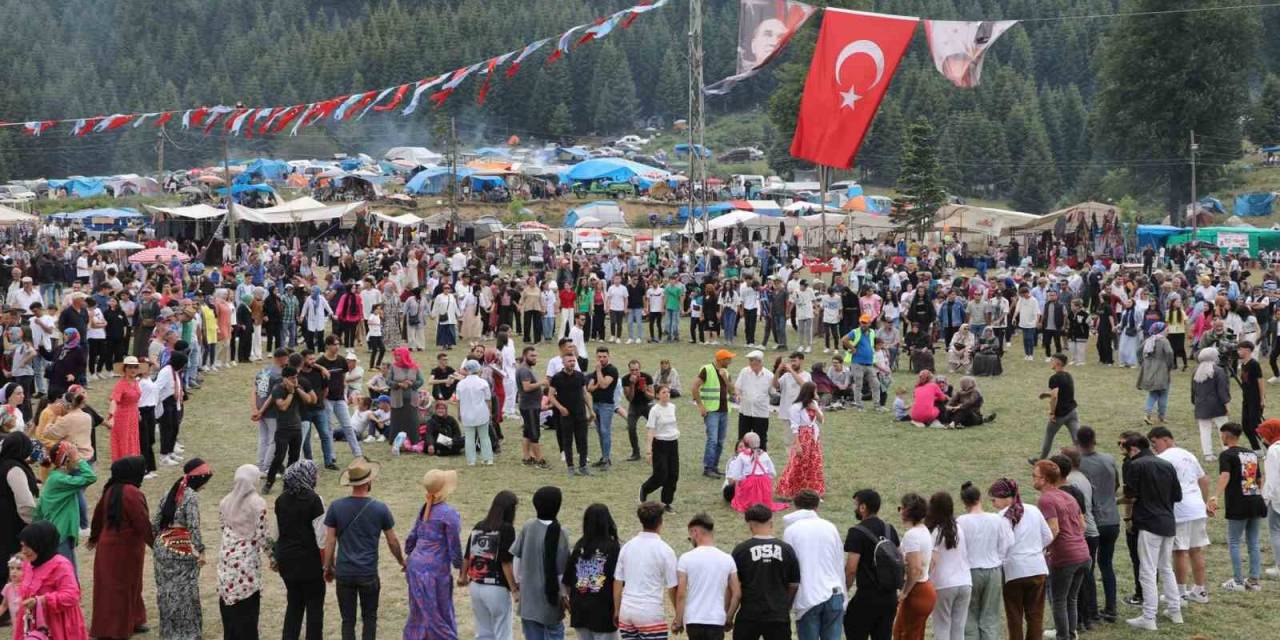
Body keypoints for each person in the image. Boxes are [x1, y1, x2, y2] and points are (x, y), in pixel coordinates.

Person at [323, 458, 405, 640]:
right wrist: (401, 561)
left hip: (344, 572)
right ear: (368, 481)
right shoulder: (379, 508)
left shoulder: (336, 507)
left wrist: (327, 567)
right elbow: (393, 542)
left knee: (347, 621)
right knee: (369, 618)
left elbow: (330, 542)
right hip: (368, 572)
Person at [1120, 433, 1182, 631]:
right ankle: (1175, 610)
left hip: (1149, 523)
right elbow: (1177, 495)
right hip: (1168, 521)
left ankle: (1149, 617)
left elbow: (1129, 495)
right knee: (1166, 568)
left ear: (1134, 449)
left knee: (1147, 570)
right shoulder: (1166, 464)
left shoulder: (1135, 466)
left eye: (1126, 451)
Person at [87, 456, 152, 640]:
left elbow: (97, 517)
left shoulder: (110, 489)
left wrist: (94, 537)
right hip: (126, 549)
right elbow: (142, 522)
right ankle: (115, 630)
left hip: (107, 547)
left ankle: (134, 620)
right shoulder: (132, 493)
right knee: (125, 587)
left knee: (110, 587)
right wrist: (157, 544)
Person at [1146, 427, 1211, 604]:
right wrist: (1204, 503)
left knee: (1180, 551)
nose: (1154, 448)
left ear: (1166, 439)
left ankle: (1180, 593)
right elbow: (1204, 480)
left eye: (1155, 443)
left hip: (1180, 509)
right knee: (1196, 549)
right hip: (1197, 507)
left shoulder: (1161, 460)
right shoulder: (1188, 454)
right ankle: (1200, 590)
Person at [153, 458, 213, 640]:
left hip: (162, 547)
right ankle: (187, 633)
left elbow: (155, 522)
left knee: (166, 591)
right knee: (185, 593)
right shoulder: (191, 497)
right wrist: (201, 550)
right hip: (182, 550)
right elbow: (193, 527)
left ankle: (169, 632)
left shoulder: (169, 492)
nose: (205, 486)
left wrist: (159, 542)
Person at [1033, 460, 1090, 640]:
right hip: (1082, 553)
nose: (1032, 479)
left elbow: (1054, 529)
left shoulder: (1045, 499)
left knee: (1058, 601)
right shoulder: (1068, 496)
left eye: (1034, 476)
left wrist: (1042, 548)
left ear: (1044, 479)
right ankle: (1071, 634)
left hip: (1064, 557)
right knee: (1071, 599)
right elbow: (1083, 525)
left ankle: (1063, 636)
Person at [404, 469, 464, 640]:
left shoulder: (425, 509)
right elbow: (454, 545)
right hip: (435, 569)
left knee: (419, 609)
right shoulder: (448, 514)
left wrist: (410, 554)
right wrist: (460, 567)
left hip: (415, 565)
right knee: (439, 609)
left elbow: (413, 536)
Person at [989, 477, 1051, 640]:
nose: (993, 503)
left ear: (1004, 497)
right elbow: (1048, 536)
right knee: (1035, 616)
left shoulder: (1001, 517)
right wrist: (1037, 551)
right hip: (1037, 568)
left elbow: (1001, 548)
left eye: (994, 498)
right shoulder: (1034, 510)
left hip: (1013, 572)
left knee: (1014, 617)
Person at [729, 504, 800, 640]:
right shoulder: (786, 549)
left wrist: (729, 616)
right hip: (778, 615)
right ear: (771, 523)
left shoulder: (741, 550)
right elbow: (794, 584)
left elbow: (734, 588)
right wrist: (786, 606)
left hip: (749, 615)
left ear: (749, 525)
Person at [274, 460, 326, 640]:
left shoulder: (281, 500)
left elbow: (277, 533)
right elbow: (322, 538)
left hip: (287, 561)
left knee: (294, 606)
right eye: (315, 473)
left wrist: (276, 558)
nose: (317, 477)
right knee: (314, 609)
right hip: (310, 562)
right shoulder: (314, 499)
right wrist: (326, 565)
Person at [783, 490, 845, 640]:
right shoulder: (830, 527)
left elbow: (789, 567)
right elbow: (839, 561)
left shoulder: (791, 531)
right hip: (834, 593)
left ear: (796, 506)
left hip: (807, 597)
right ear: (817, 507)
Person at [217, 464, 269, 639]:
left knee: (229, 613)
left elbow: (223, 527)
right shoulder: (258, 503)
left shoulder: (224, 502)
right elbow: (263, 536)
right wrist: (274, 558)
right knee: (247, 614)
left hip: (225, 563)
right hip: (246, 566)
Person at [512, 486, 570, 640]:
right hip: (550, 599)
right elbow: (561, 571)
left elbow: (516, 558)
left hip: (528, 598)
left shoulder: (528, 525)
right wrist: (564, 595)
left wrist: (517, 583)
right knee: (554, 633)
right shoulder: (561, 532)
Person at [1215, 422, 1267, 592]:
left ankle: (1237, 581)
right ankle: (1254, 580)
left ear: (1226, 435)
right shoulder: (1251, 453)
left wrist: (1215, 496)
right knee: (1253, 541)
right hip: (1255, 499)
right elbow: (1259, 479)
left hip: (1238, 502)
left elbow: (1225, 475)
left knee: (1234, 541)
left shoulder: (1227, 455)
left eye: (1221, 434)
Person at [614, 502, 679, 640]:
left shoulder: (627, 547)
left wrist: (617, 610)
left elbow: (618, 582)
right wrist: (678, 614)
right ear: (661, 522)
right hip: (650, 613)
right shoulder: (665, 550)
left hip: (627, 611)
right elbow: (673, 587)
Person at [956, 482, 1012, 640]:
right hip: (993, 571)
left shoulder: (961, 521)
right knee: (990, 616)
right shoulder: (996, 519)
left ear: (964, 501)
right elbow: (1007, 543)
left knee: (969, 615)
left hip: (970, 571)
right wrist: (997, 558)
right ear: (980, 498)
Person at [1076, 426, 1121, 623]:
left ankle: (1090, 611)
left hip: (1093, 521)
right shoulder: (1109, 459)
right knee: (1107, 565)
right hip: (1112, 519)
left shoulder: (1078, 465)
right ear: (1094, 439)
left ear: (1077, 442)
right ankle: (1111, 608)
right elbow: (1117, 486)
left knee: (1088, 568)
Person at [13, 521, 85, 640]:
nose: (24, 551)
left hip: (57, 625)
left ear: (41, 544)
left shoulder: (61, 565)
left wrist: (41, 601)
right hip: (32, 624)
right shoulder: (29, 563)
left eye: (28, 546)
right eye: (22, 546)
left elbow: (72, 596)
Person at [844, 488, 900, 640]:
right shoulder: (890, 529)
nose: (854, 508)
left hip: (867, 597)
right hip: (890, 598)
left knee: (853, 630)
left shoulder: (856, 532)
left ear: (863, 507)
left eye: (856, 505)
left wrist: (845, 590)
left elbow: (851, 570)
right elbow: (899, 560)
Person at [675, 513, 739, 640]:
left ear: (695, 532)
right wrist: (729, 617)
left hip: (694, 619)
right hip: (716, 620)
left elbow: (681, 595)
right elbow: (736, 593)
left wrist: (678, 621)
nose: (691, 539)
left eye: (690, 537)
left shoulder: (686, 558)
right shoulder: (727, 559)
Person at [463, 490, 518, 640]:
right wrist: (514, 588)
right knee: (502, 633)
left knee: (483, 633)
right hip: (497, 587)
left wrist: (462, 576)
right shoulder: (507, 529)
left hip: (475, 585)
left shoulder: (479, 525)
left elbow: (468, 555)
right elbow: (505, 561)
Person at [34, 440, 96, 573]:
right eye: (74, 456)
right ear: (67, 460)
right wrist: (78, 460)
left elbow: (39, 509)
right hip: (60, 534)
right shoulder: (59, 479)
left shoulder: (56, 477)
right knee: (66, 576)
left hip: (58, 534)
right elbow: (90, 477)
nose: (77, 458)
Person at [562, 503, 619, 640]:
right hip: (604, 612)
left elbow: (568, 580)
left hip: (580, 610)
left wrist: (572, 600)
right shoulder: (613, 548)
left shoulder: (579, 546)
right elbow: (619, 581)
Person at [263, 366, 312, 495]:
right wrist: (290, 393)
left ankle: (289, 484)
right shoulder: (277, 389)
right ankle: (269, 482)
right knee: (279, 457)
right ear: (285, 379)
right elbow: (283, 406)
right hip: (283, 429)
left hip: (296, 429)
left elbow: (309, 400)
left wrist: (296, 389)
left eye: (296, 377)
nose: (295, 380)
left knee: (294, 459)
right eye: (292, 378)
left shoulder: (297, 387)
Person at [777, 381, 825, 498]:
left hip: (813, 437)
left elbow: (821, 420)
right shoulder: (796, 407)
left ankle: (812, 489)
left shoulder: (813, 403)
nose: (816, 392)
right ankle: (790, 489)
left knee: (813, 463)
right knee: (798, 463)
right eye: (814, 390)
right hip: (802, 437)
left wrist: (816, 409)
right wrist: (797, 445)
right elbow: (795, 427)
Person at [548, 353, 592, 477]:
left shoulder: (580, 376)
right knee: (567, 441)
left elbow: (585, 394)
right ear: (563, 363)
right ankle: (570, 467)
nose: (572, 363)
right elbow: (550, 396)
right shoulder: (557, 378)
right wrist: (560, 408)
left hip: (580, 413)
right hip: (566, 415)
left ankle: (583, 466)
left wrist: (590, 410)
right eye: (569, 361)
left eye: (573, 361)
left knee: (582, 440)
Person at [1031, 353, 1079, 464]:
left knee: (1049, 436)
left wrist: (1052, 413)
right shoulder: (1068, 375)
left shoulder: (1054, 378)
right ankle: (1084, 460)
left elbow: (1055, 396)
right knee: (1077, 440)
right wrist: (1046, 394)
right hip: (1072, 412)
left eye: (1052, 360)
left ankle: (1041, 460)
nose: (1050, 362)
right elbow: (1063, 393)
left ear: (1057, 363)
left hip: (1060, 414)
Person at [693, 350, 734, 478]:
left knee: (720, 441)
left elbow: (732, 391)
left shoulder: (726, 372)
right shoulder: (706, 369)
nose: (730, 361)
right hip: (711, 411)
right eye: (728, 359)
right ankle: (708, 468)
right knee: (712, 440)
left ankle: (714, 467)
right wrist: (700, 406)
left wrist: (725, 379)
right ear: (721, 360)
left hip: (724, 411)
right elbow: (694, 387)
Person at [640, 385, 680, 512]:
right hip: (659, 444)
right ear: (657, 395)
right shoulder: (654, 410)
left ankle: (666, 502)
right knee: (661, 474)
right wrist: (649, 451)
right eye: (663, 392)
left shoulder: (672, 407)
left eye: (668, 392)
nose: (667, 394)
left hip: (673, 443)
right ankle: (645, 489)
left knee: (673, 474)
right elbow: (651, 430)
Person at [723, 432, 786, 511]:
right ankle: (764, 502)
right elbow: (772, 472)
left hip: (749, 486)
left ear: (745, 443)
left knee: (741, 486)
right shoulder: (764, 454)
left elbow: (736, 475)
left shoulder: (742, 455)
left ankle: (749, 501)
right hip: (765, 485)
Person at [0, 432, 37, 565]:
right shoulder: (14, 469)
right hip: (11, 522)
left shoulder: (3, 462)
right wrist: (34, 523)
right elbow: (24, 503)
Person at [1191, 346, 1230, 462]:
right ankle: (1227, 449)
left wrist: (1195, 402)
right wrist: (1226, 404)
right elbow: (1222, 390)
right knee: (1223, 428)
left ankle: (1208, 454)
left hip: (1201, 405)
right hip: (1217, 405)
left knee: (1204, 430)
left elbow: (1193, 390)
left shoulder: (1196, 371)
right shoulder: (1218, 370)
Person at [456, 360, 494, 466]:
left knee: (469, 438)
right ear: (478, 369)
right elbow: (488, 400)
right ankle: (488, 458)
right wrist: (490, 412)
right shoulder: (483, 382)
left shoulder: (461, 384)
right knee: (484, 436)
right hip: (482, 412)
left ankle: (471, 461)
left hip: (466, 413)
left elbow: (458, 401)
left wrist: (459, 413)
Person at [106, 356, 144, 461]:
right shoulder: (121, 385)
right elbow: (114, 400)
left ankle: (133, 463)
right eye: (130, 367)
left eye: (135, 367)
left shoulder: (135, 382)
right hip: (122, 417)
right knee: (124, 440)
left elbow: (135, 401)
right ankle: (123, 465)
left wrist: (138, 413)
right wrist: (112, 416)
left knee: (132, 439)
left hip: (133, 416)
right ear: (125, 369)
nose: (133, 370)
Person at [516, 348, 550, 468]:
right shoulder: (524, 370)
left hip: (529, 405)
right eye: (532, 356)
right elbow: (526, 387)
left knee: (527, 432)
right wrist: (542, 383)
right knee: (534, 434)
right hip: (530, 406)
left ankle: (527, 457)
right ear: (525, 356)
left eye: (535, 356)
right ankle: (539, 460)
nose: (534, 358)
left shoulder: (525, 368)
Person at [587, 347, 619, 468]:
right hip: (595, 404)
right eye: (599, 357)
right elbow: (589, 388)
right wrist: (597, 383)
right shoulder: (596, 371)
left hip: (606, 405)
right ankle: (604, 457)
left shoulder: (612, 370)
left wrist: (599, 372)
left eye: (604, 356)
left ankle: (606, 459)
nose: (601, 359)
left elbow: (604, 385)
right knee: (600, 432)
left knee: (605, 431)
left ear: (608, 356)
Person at [386, 346, 424, 449]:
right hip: (397, 399)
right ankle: (396, 441)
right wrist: (398, 384)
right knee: (397, 420)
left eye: (399, 355)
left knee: (412, 420)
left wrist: (411, 384)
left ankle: (413, 440)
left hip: (412, 399)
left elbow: (421, 381)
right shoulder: (393, 367)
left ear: (404, 355)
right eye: (396, 355)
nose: (397, 357)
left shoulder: (414, 366)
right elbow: (388, 381)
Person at [1136, 322, 1174, 425]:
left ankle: (1147, 414)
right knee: (1163, 393)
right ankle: (1161, 416)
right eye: (1166, 329)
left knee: (1153, 393)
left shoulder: (1149, 339)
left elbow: (1138, 351)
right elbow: (1169, 353)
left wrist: (1142, 362)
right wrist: (1170, 365)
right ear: (1161, 330)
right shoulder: (1164, 341)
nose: (1168, 331)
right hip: (1162, 370)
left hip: (1149, 370)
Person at [842, 314, 881, 410]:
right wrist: (852, 348)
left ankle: (877, 405)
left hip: (869, 363)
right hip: (857, 363)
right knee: (858, 384)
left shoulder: (872, 332)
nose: (863, 324)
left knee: (876, 384)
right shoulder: (855, 332)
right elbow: (844, 339)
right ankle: (859, 405)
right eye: (862, 322)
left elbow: (872, 344)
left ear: (869, 323)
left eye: (865, 323)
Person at [1238, 341, 1265, 451]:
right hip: (1246, 399)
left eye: (1240, 349)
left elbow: (1260, 381)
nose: (1238, 351)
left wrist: (1262, 399)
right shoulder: (1243, 364)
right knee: (1245, 426)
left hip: (1255, 399)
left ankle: (1271, 447)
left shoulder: (1254, 364)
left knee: (1255, 426)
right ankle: (1257, 450)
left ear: (1247, 350)